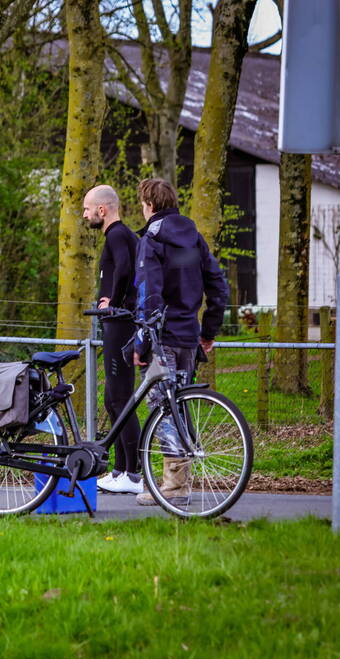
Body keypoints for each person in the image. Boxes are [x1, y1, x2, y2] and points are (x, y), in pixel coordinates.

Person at [131, 178, 230, 506]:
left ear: (150, 205)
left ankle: (174, 486)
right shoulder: (195, 239)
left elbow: (148, 295)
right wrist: (209, 331)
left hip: (164, 337)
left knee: (162, 406)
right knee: (178, 404)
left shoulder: (152, 240)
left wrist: (142, 343)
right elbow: (218, 286)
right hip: (189, 336)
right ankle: (179, 480)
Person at [82, 184, 142, 495]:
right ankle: (120, 470)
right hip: (118, 323)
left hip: (121, 323)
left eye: (87, 209)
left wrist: (113, 303)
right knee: (113, 399)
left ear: (102, 210)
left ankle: (133, 475)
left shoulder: (118, 234)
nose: (84, 214)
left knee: (121, 400)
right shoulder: (122, 235)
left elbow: (125, 269)